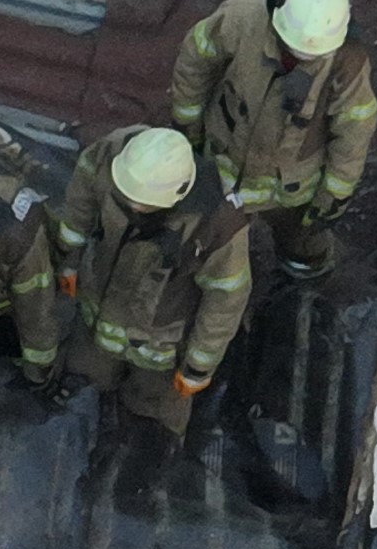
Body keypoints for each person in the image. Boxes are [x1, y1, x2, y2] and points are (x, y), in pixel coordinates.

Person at [164, 0, 377, 280]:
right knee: (200, 239)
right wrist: (187, 129)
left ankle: (303, 279)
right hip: (220, 165)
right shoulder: (242, 19)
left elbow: (353, 134)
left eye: (311, 54)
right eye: (292, 48)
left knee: (305, 246)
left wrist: (330, 201)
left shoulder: (348, 64)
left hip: (293, 189)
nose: (300, 57)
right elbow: (195, 61)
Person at [51, 123, 253, 440]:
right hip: (95, 322)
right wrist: (69, 262)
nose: (134, 207)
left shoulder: (220, 222)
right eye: (128, 196)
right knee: (76, 393)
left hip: (161, 348)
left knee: (153, 428)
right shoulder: (112, 155)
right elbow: (80, 207)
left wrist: (198, 368)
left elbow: (225, 302)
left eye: (144, 203)